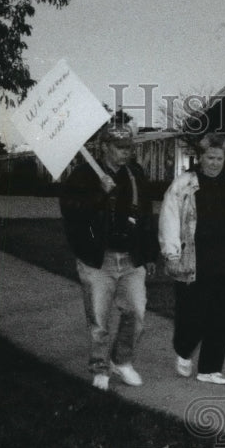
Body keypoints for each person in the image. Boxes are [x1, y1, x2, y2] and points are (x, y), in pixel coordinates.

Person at [159, 133, 225, 385]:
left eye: (219, 158)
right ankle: (184, 349)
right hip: (196, 262)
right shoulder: (184, 184)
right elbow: (169, 218)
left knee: (223, 315)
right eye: (210, 157)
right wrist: (171, 253)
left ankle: (210, 368)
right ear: (201, 157)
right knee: (192, 315)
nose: (215, 163)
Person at [59, 124, 157, 391]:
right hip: (97, 260)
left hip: (130, 259)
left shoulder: (135, 174)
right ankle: (100, 367)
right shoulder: (83, 175)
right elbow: (72, 212)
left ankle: (121, 360)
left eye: (129, 148)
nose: (125, 153)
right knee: (99, 321)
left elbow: (146, 216)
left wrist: (149, 254)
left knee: (136, 313)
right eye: (119, 148)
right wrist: (99, 192)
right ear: (104, 147)